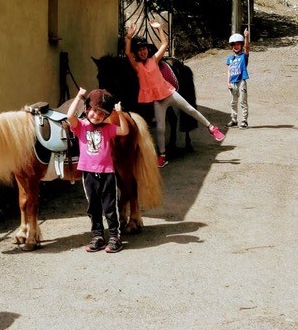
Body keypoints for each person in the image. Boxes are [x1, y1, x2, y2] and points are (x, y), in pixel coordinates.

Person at [125, 21, 224, 167]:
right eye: (139, 50)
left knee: (190, 109)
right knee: (160, 128)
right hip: (159, 102)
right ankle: (162, 156)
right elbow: (127, 53)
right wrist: (128, 37)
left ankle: (211, 128)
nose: (143, 51)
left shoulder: (154, 59)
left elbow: (164, 44)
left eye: (144, 48)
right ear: (136, 53)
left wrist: (159, 29)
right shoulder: (138, 66)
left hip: (170, 93)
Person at [67, 88, 130, 253]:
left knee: (110, 206)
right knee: (93, 206)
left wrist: (120, 114)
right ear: (88, 109)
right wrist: (79, 97)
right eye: (94, 110)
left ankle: (115, 237)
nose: (96, 115)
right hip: (88, 174)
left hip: (107, 172)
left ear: (106, 116)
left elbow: (124, 131)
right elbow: (69, 116)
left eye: (101, 113)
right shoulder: (80, 127)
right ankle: (98, 236)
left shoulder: (107, 128)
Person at [226, 29, 250, 128]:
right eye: (234, 45)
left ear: (241, 45)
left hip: (241, 81)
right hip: (232, 82)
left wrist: (246, 37)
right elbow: (229, 71)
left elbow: (247, 47)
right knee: (233, 102)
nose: (236, 46)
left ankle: (244, 120)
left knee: (243, 101)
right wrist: (228, 82)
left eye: (238, 44)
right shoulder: (229, 59)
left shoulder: (244, 56)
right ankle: (234, 119)